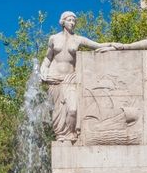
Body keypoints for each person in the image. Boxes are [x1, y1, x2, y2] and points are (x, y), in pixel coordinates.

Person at [40, 11, 112, 143]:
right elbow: (48, 58)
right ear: (63, 22)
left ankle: (71, 134)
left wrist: (114, 46)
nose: (72, 23)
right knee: (58, 110)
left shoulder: (78, 39)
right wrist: (43, 70)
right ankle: (61, 136)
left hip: (70, 78)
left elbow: (98, 45)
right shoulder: (54, 38)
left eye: (74, 21)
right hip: (55, 78)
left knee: (72, 109)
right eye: (69, 20)